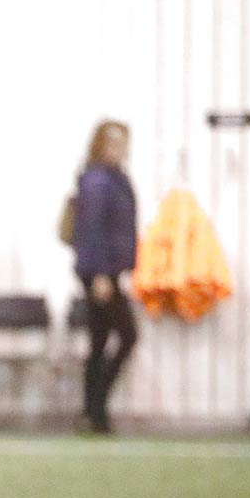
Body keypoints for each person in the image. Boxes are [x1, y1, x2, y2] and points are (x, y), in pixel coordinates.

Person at [71, 120, 139, 434]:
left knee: (99, 342)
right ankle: (96, 407)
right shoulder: (98, 181)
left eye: (122, 142)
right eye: (112, 143)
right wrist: (100, 274)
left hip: (110, 270)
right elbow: (92, 230)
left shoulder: (116, 179)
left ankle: (93, 412)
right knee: (127, 334)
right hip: (100, 272)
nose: (119, 149)